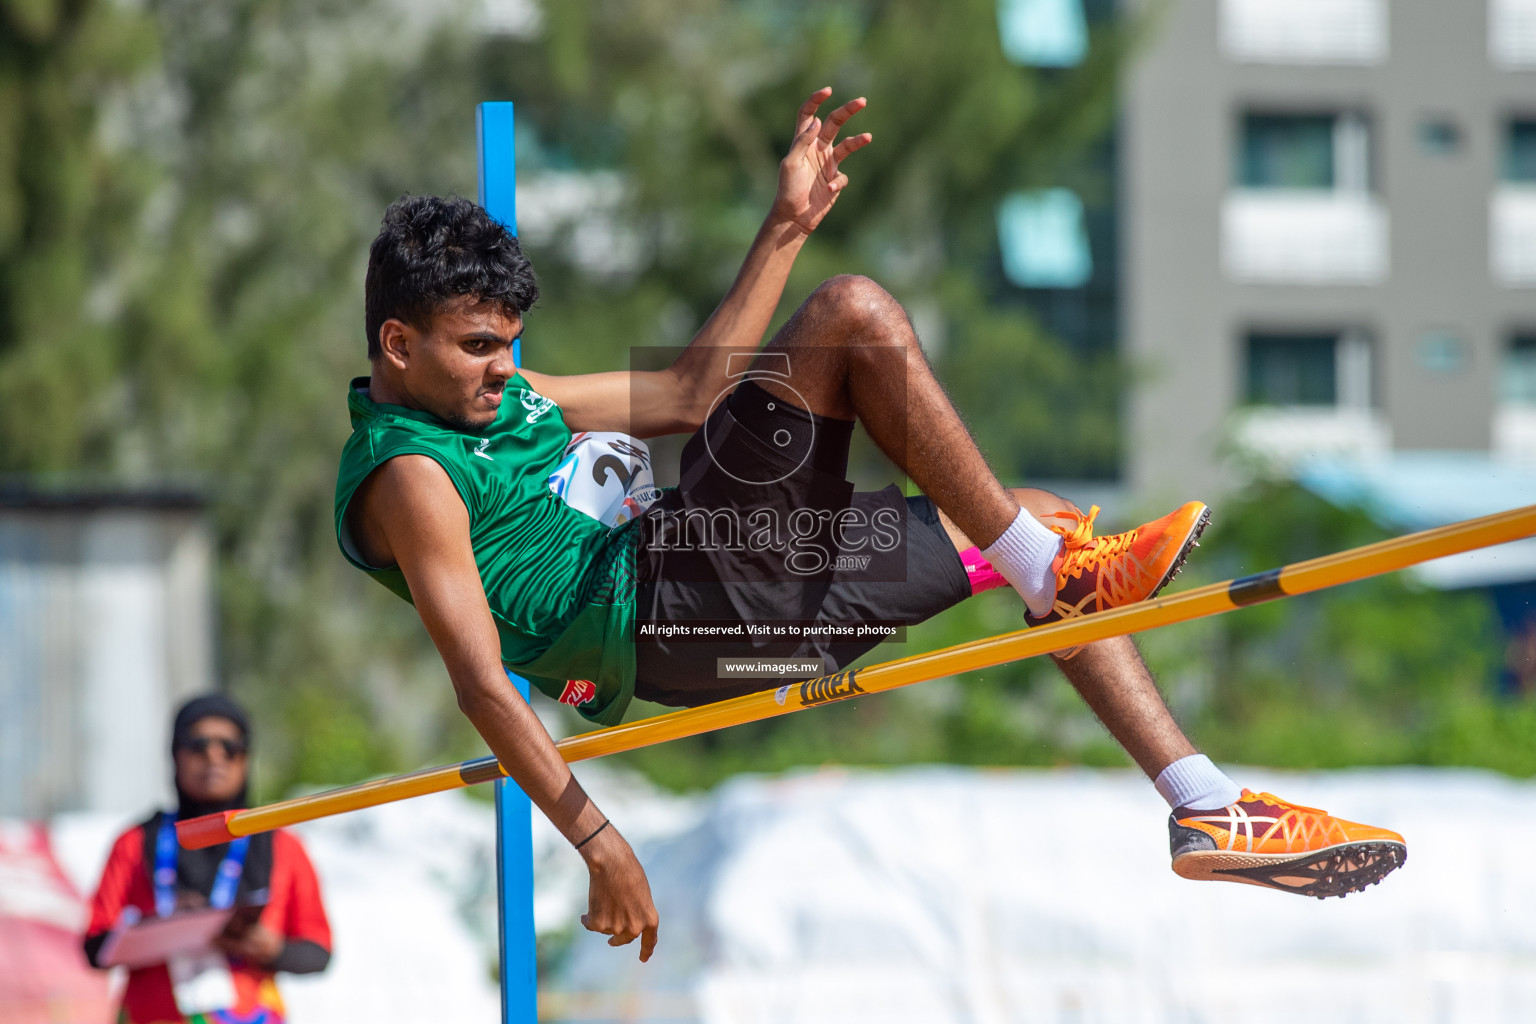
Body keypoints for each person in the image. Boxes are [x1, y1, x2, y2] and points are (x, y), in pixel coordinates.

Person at [335, 89, 1406, 960]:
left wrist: (787, 223)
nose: (501, 367)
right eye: (478, 345)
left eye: (509, 343)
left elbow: (688, 394)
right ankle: (1058, 576)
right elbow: (480, 681)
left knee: (1037, 523)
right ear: (396, 341)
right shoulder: (412, 474)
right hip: (668, 600)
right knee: (854, 316)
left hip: (717, 612)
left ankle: (1203, 802)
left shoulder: (505, 395)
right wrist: (598, 839)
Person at [85, 695, 332, 1023]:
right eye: (198, 745)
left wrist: (271, 949)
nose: (215, 757)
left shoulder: (283, 845)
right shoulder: (134, 843)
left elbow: (319, 952)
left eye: (230, 747)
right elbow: (94, 948)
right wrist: (161, 925)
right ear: (176, 755)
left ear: (246, 760)